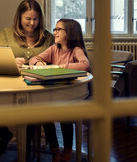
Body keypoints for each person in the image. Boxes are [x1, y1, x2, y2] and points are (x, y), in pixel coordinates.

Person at [0, 0, 54, 156]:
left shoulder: (48, 37)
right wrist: (11, 62)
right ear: (19, 17)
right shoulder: (6, 33)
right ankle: (4, 134)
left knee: (30, 110)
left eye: (36, 19)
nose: (32, 23)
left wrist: (43, 63)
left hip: (37, 86)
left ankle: (25, 153)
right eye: (28, 19)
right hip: (8, 84)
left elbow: (56, 61)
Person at [29, 18, 91, 162]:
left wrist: (62, 67)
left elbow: (85, 65)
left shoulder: (76, 50)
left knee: (65, 117)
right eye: (55, 29)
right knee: (45, 116)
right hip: (53, 95)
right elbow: (33, 59)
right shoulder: (53, 49)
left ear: (69, 33)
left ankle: (68, 150)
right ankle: (55, 149)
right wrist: (38, 62)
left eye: (58, 29)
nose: (55, 32)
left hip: (69, 96)